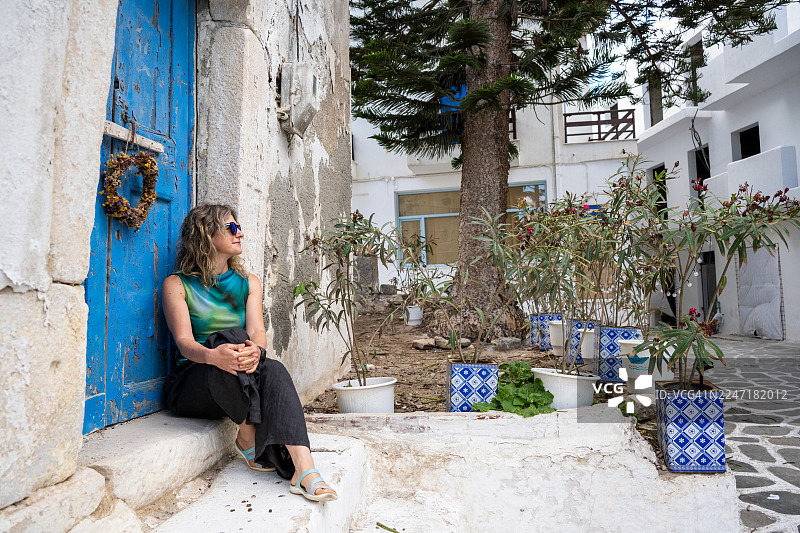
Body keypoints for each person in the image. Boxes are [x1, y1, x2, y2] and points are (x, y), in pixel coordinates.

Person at [161, 204, 337, 502]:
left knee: (273, 367)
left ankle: (304, 470)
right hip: (194, 383)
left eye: (238, 225)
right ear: (206, 234)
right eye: (231, 227)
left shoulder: (248, 283)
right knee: (222, 348)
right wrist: (213, 355)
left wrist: (257, 350)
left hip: (238, 375)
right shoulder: (177, 285)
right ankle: (247, 433)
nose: (239, 232)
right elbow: (184, 343)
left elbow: (257, 333)